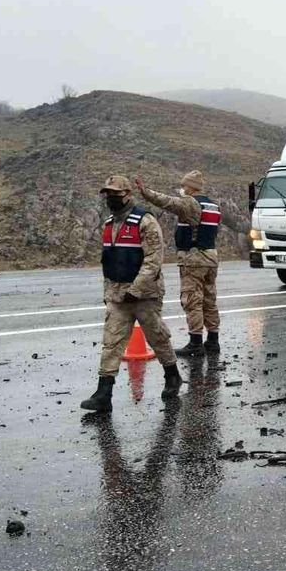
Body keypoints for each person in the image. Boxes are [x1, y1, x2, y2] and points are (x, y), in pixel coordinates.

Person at [80, 176, 181, 413]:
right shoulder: (108, 224)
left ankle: (172, 376)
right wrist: (110, 294)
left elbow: (153, 262)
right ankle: (103, 394)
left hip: (145, 295)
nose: (110, 198)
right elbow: (108, 263)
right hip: (118, 296)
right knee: (111, 343)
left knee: (157, 337)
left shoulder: (145, 222)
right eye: (107, 194)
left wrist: (135, 290)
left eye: (115, 194)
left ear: (127, 194)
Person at [134, 171, 221, 357]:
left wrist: (145, 192)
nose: (182, 188)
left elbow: (167, 202)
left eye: (185, 185)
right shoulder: (213, 206)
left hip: (194, 259)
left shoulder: (190, 202)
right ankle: (213, 341)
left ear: (191, 187)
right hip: (211, 258)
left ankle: (196, 343)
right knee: (209, 300)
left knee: (192, 301)